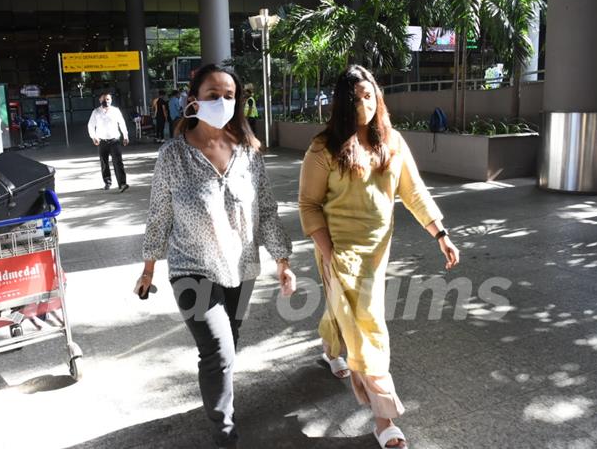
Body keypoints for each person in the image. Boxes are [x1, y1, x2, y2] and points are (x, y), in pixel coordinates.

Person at [298, 65, 460, 449]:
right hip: (337, 249)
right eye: (355, 98)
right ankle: (383, 418)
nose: (363, 104)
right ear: (341, 103)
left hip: (376, 253)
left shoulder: (393, 142)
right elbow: (308, 205)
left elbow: (414, 191)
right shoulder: (323, 148)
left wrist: (440, 232)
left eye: (368, 95)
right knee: (368, 328)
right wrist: (330, 252)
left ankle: (330, 349)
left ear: (378, 97)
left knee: (347, 313)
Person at [138, 64, 296, 449]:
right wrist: (148, 269)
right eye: (213, 95)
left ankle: (217, 399)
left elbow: (267, 211)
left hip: (241, 268)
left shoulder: (249, 153)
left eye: (229, 95)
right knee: (218, 351)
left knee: (229, 343)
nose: (223, 102)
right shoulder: (173, 156)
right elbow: (160, 214)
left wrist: (283, 261)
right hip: (192, 269)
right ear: (194, 100)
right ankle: (225, 434)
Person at [87, 93, 130, 192]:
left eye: (108, 99)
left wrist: (125, 136)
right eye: (104, 100)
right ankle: (107, 182)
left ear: (111, 100)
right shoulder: (96, 112)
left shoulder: (116, 111)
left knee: (118, 162)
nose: (106, 101)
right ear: (100, 100)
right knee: (104, 163)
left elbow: (122, 123)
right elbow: (90, 126)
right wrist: (94, 137)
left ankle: (122, 184)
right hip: (102, 141)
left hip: (115, 140)